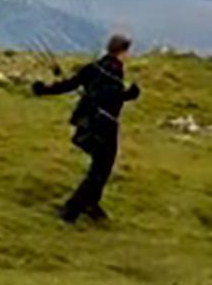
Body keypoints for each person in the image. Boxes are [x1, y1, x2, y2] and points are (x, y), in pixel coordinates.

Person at [33, 34, 141, 224]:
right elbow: (110, 97)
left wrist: (44, 90)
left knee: (101, 167)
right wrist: (130, 95)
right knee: (100, 169)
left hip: (86, 124)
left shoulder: (94, 67)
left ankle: (91, 204)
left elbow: (70, 84)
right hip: (103, 126)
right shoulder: (115, 71)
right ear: (123, 52)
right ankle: (71, 209)